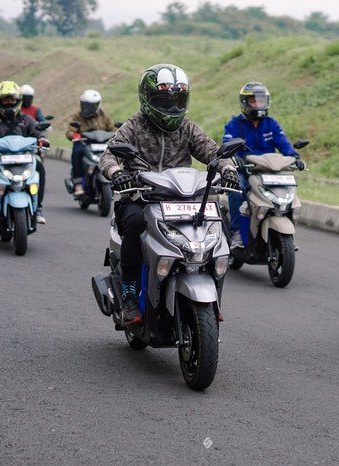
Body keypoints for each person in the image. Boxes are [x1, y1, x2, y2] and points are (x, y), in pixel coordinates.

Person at [99, 63, 239, 326]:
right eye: (164, 100)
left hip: (181, 200)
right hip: (140, 198)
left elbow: (213, 152)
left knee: (217, 222)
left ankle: (213, 294)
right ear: (147, 98)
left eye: (177, 100)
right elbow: (108, 156)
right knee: (135, 224)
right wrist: (117, 173)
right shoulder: (134, 126)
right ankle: (129, 293)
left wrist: (228, 168)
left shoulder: (187, 128)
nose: (172, 106)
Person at [222, 82, 305, 248]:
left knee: (287, 192)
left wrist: (295, 157)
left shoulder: (271, 123)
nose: (258, 104)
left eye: (261, 100)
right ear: (245, 103)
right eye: (253, 101)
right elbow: (228, 145)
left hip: (269, 172)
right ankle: (237, 233)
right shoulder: (234, 125)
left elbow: (283, 143)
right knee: (237, 190)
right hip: (245, 170)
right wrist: (235, 159)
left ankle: (286, 233)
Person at [0, 81, 49, 226]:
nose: (9, 103)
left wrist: (42, 139)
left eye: (12, 99)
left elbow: (36, 129)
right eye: (5, 100)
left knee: (40, 167)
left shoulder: (26, 118)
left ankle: (38, 208)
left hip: (24, 157)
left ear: (18, 100)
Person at [66, 89, 116, 195]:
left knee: (115, 152)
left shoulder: (104, 115)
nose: (86, 108)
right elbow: (71, 130)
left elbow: (112, 128)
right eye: (84, 105)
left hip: (102, 143)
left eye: (90, 105)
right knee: (76, 152)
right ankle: (78, 182)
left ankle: (115, 177)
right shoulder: (78, 116)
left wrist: (117, 133)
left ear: (97, 105)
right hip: (84, 143)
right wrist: (73, 135)